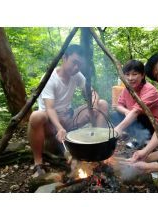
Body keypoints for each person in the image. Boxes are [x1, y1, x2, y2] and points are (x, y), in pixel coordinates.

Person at [28, 44, 108, 177]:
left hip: (69, 118)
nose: (76, 67)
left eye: (80, 65)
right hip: (51, 122)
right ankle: (38, 162)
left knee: (102, 104)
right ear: (64, 58)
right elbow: (50, 108)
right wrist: (60, 128)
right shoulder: (50, 78)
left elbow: (92, 93)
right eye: (74, 62)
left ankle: (97, 148)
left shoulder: (76, 75)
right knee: (36, 116)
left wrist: (93, 106)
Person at [111, 60, 158, 147]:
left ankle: (145, 138)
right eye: (127, 74)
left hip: (154, 124)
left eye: (134, 74)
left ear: (142, 75)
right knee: (114, 115)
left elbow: (136, 111)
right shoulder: (127, 89)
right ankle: (135, 135)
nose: (130, 78)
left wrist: (119, 128)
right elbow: (118, 105)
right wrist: (126, 112)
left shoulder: (149, 90)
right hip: (136, 118)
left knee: (139, 116)